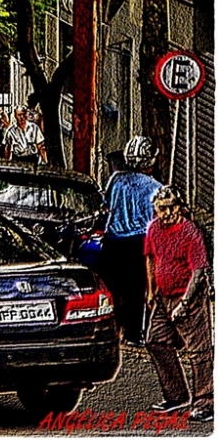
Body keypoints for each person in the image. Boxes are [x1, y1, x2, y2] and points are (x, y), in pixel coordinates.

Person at [144, 186, 213, 422]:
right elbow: (151, 258)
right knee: (155, 340)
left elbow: (199, 271)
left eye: (170, 207)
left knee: (198, 350)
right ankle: (176, 395)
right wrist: (152, 291)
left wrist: (184, 302)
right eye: (161, 209)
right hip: (164, 295)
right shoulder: (153, 229)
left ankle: (206, 402)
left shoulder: (190, 231)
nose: (166, 213)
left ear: (178, 207)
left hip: (188, 296)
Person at [99, 136, 163, 345]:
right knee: (135, 290)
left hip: (112, 242)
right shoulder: (155, 187)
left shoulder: (115, 179)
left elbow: (106, 206)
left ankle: (114, 331)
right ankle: (133, 334)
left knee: (113, 289)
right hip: (138, 243)